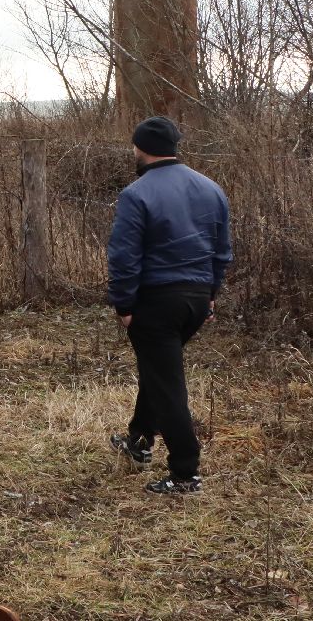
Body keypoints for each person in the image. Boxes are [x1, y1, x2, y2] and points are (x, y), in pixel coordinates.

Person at [106, 115, 231, 494]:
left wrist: (124, 304)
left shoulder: (136, 194)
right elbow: (221, 252)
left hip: (155, 301)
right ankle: (139, 440)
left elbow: (124, 256)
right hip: (195, 299)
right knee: (159, 370)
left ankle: (185, 472)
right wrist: (210, 296)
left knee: (167, 382)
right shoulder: (212, 189)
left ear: (139, 148)